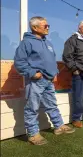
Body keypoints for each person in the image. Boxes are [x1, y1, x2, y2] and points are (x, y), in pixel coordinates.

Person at [14, 16, 75, 145]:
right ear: (34, 27)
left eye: (48, 26)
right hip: (36, 80)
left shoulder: (47, 42)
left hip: (49, 80)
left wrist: (55, 73)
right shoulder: (27, 42)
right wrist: (32, 73)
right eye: (45, 26)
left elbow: (52, 60)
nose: (48, 28)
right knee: (32, 107)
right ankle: (33, 134)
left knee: (52, 104)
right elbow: (19, 62)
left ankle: (59, 126)